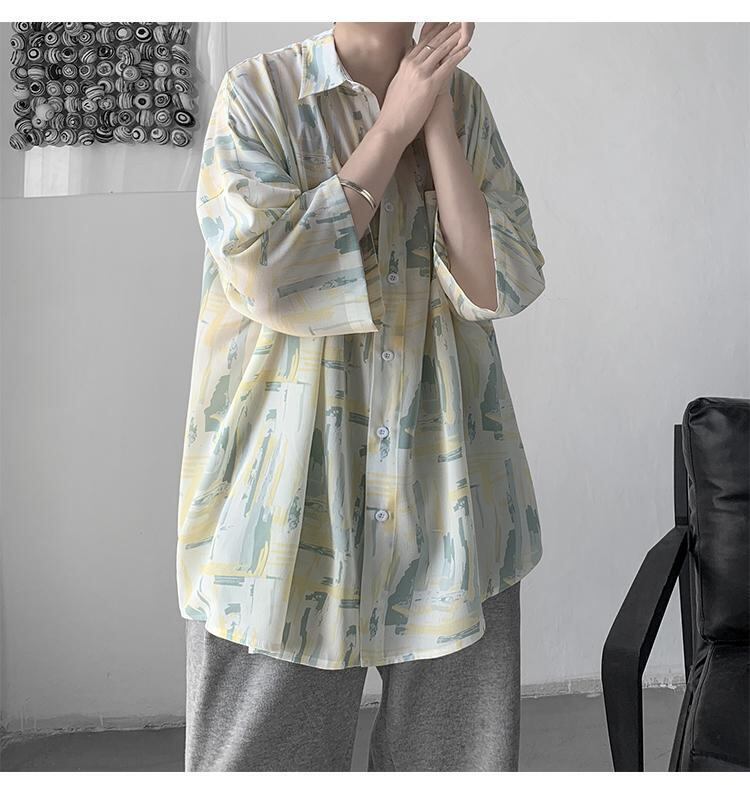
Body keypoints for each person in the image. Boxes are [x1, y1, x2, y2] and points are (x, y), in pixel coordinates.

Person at [177, 21, 546, 772]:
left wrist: (436, 122)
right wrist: (391, 128)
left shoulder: (464, 102)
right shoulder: (260, 95)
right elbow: (271, 278)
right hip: (285, 511)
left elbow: (498, 284)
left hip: (450, 495)